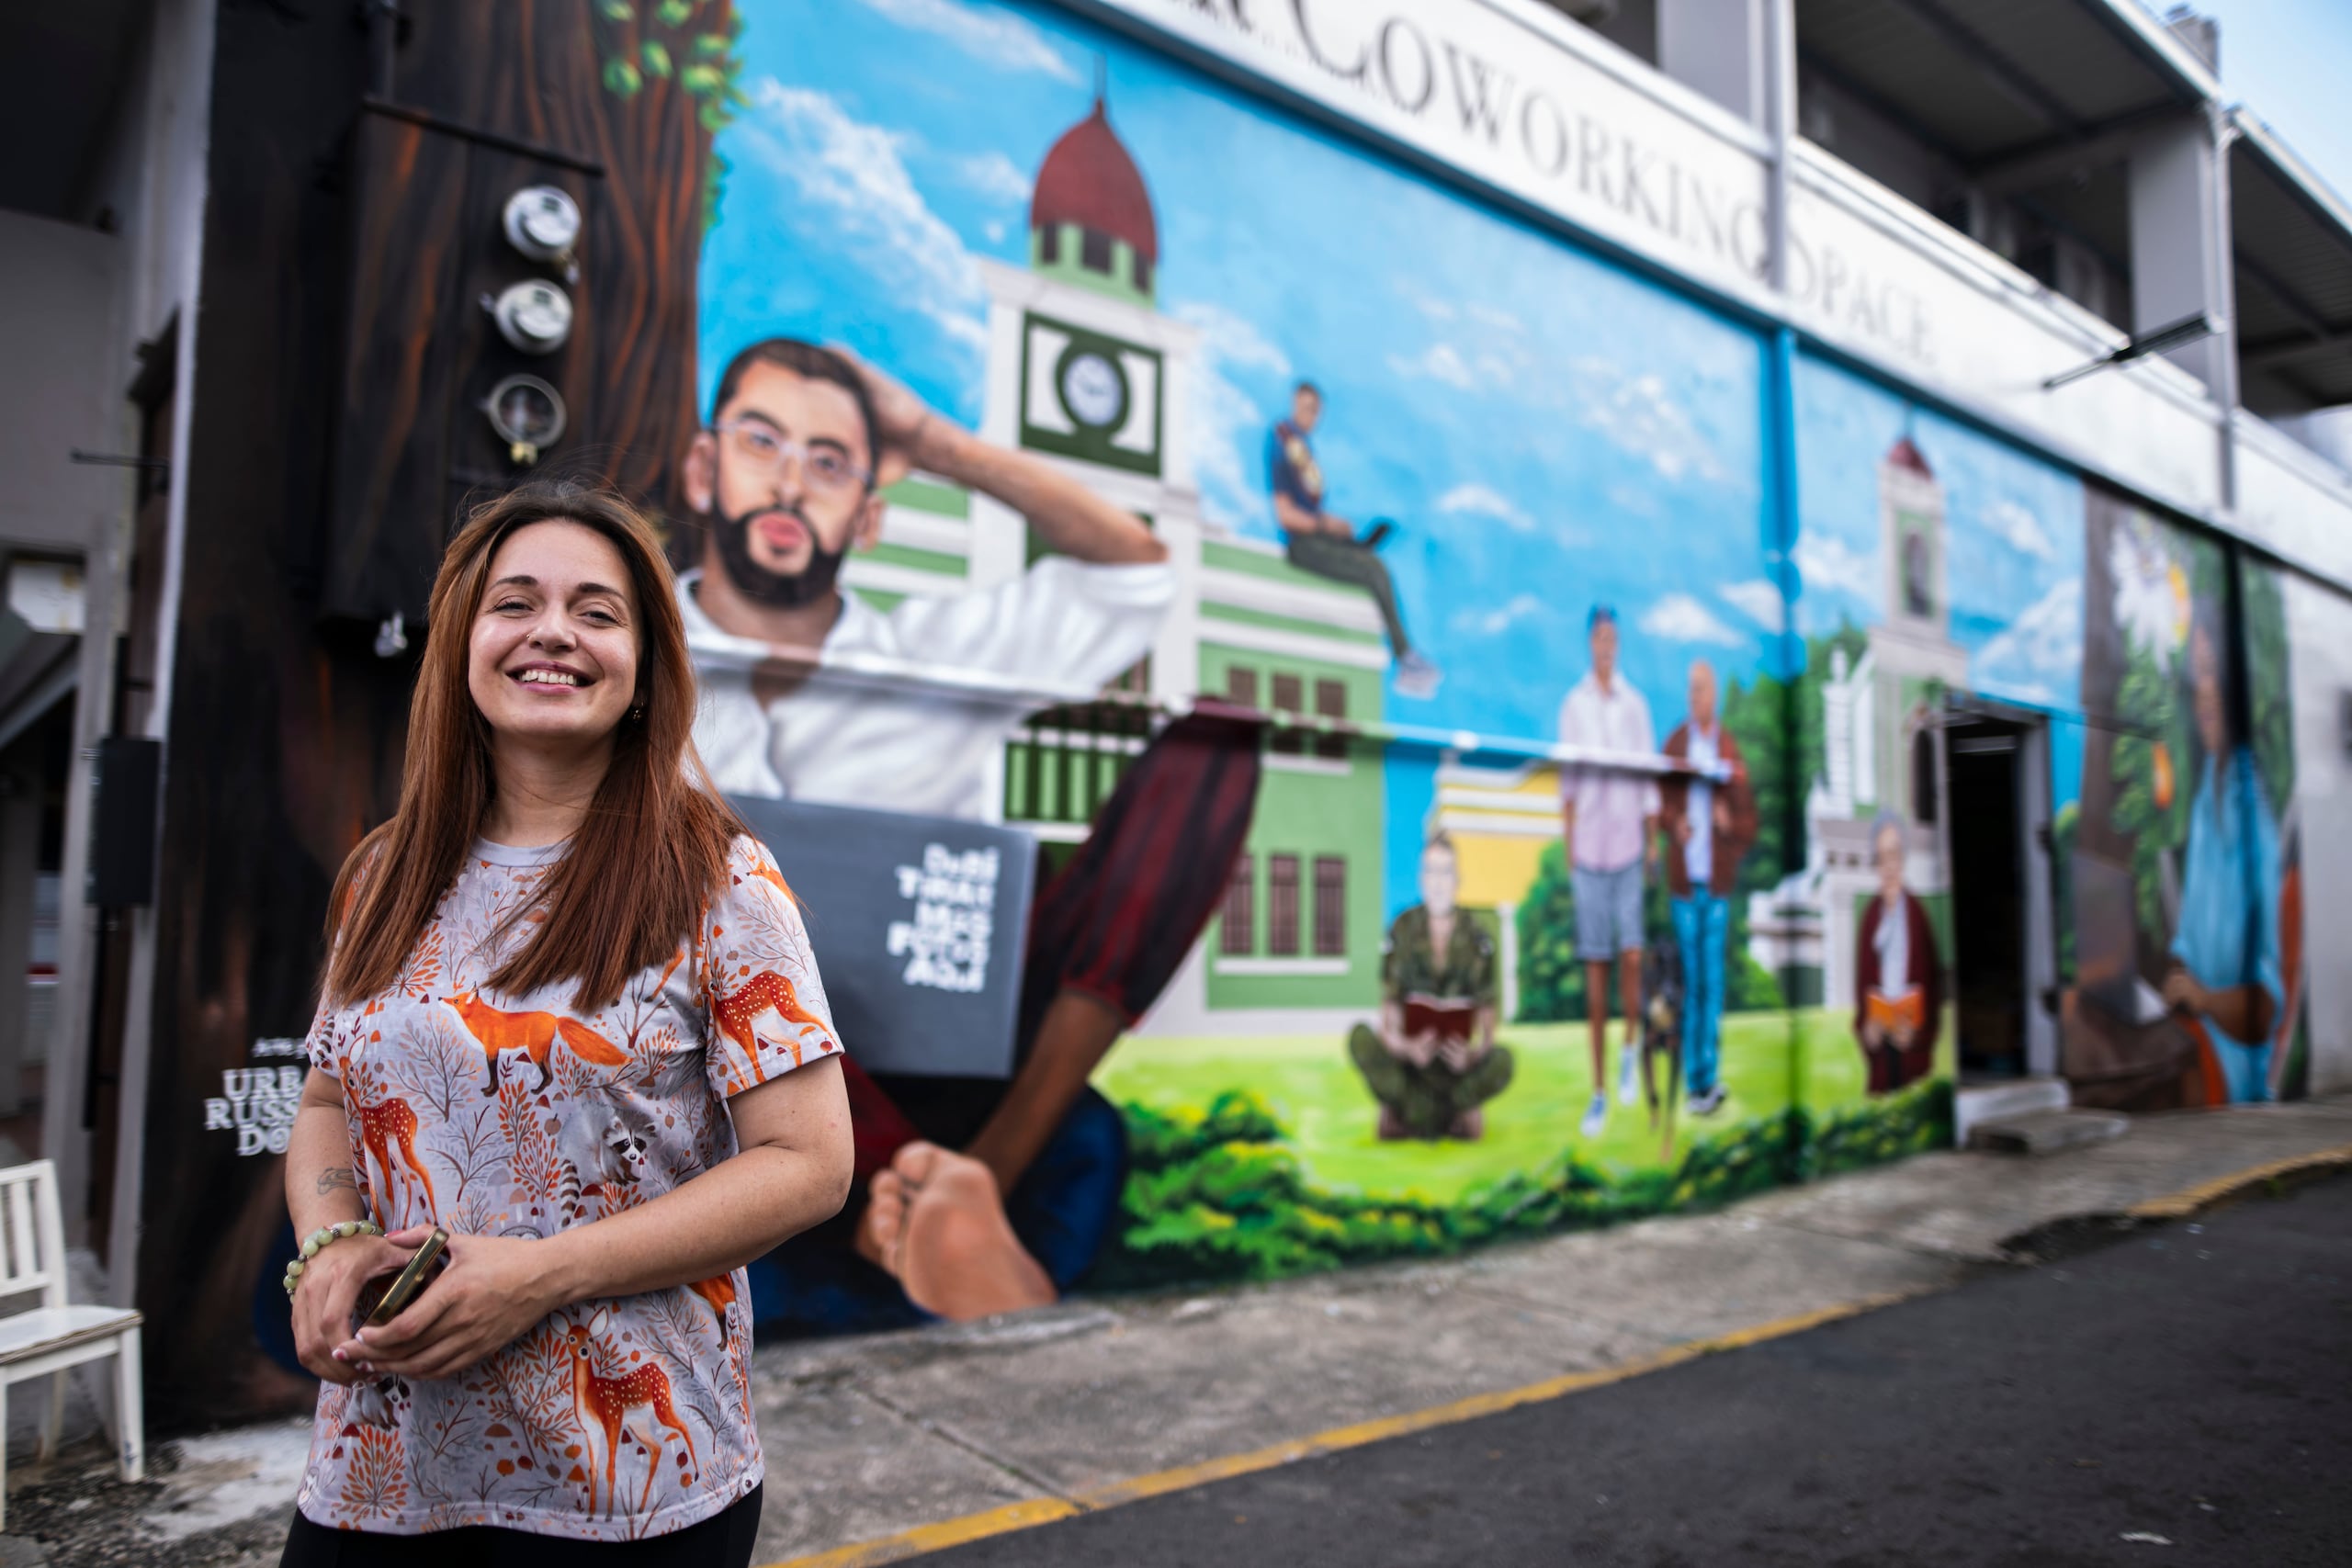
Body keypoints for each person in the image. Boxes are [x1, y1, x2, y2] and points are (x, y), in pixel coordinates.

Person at [279, 482, 853, 1561]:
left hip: (628, 1485)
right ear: (463, 645)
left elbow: (808, 1165)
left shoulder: (718, 879)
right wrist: (326, 1245)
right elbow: (324, 1098)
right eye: (516, 604)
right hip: (381, 1467)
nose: (553, 631)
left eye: (597, 611)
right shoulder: (382, 874)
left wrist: (540, 1273)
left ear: (642, 672)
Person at [675, 337, 1260, 1327]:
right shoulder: (627, 661)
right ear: (704, 468)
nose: (788, 481)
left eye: (828, 463)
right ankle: (918, 1205)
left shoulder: (934, 655)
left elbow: (1136, 575)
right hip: (736, 1058)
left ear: (868, 513)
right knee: (686, 879)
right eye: (761, 441)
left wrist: (933, 440)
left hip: (947, 1039)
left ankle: (972, 1183)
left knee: (1220, 743)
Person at [2162, 604, 2282, 1103]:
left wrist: (2205, 1000)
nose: (2201, 689)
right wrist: (2177, 980)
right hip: (2197, 1030)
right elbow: (2188, 943)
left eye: (2210, 671)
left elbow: (2265, 1007)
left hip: (2234, 1062)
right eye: (2196, 673)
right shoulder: (2202, 800)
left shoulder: (2251, 806)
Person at [1556, 604, 1660, 1138]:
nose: (1606, 645)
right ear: (1589, 642)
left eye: (1612, 638)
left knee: (1633, 957)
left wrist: (1653, 843)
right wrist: (1570, 848)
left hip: (1625, 847)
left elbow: (1647, 779)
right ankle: (1598, 1091)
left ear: (1618, 644)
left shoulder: (1635, 706)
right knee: (1595, 971)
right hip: (1589, 855)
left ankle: (1628, 1050)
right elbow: (1567, 783)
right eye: (1599, 637)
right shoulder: (1573, 706)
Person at [1267, 380, 1441, 699]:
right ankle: (1404, 657)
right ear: (1294, 405)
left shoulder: (1304, 449)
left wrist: (1334, 527)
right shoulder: (1283, 442)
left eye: (1315, 410)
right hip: (1303, 544)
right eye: (1305, 407)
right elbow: (1286, 515)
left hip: (1320, 536)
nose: (1310, 415)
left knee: (1368, 550)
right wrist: (1324, 524)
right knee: (1373, 568)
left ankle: (1405, 653)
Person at [1348, 834, 1514, 1140]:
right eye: (1431, 872)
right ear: (1422, 879)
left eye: (1445, 872)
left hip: (1456, 1073)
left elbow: (1489, 1026)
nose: (1438, 882)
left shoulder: (1479, 939)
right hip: (1411, 1069)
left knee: (1504, 1060)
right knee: (1361, 1037)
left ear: (1457, 879)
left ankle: (1429, 1113)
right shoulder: (1402, 929)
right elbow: (1389, 1016)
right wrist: (1407, 1048)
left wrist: (1472, 1055)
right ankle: (1436, 1115)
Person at [1658, 660, 1755, 1117]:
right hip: (1684, 886)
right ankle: (1696, 1082)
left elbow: (1748, 825)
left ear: (1714, 696)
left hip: (1716, 889)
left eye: (1706, 689)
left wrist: (1727, 822)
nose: (1700, 697)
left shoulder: (1729, 750)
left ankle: (1705, 1080)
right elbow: (1657, 807)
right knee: (1692, 983)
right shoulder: (1676, 745)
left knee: (1711, 985)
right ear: (1688, 695)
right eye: (1693, 689)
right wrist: (1674, 824)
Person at [1854, 811, 1941, 1093]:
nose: (1888, 867)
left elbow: (1933, 981)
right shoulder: (1870, 917)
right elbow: (1862, 987)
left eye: (1893, 856)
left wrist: (1919, 1033)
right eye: (1881, 858)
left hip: (1910, 1040)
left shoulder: (1916, 914)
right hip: (1882, 1043)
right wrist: (1868, 1029)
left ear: (1902, 858)